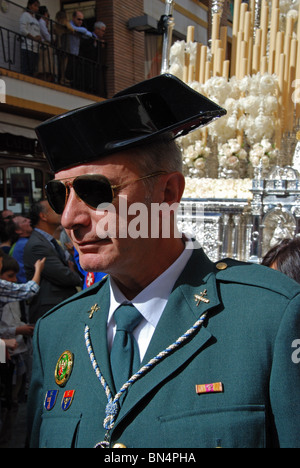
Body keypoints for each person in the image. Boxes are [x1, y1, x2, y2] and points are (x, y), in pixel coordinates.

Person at [28, 75, 300, 448]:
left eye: (96, 191)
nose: (70, 218)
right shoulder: (55, 331)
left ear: (168, 192)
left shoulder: (268, 316)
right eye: (60, 195)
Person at [23, 200, 82, 324]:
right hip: (51, 309)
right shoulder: (37, 245)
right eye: (53, 209)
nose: (60, 212)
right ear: (43, 216)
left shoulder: (48, 241)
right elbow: (63, 275)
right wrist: (85, 277)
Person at [19, 0, 41, 76]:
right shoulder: (25, 15)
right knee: (26, 70)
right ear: (29, 5)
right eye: (35, 5)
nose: (36, 8)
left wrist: (38, 37)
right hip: (26, 46)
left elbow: (38, 32)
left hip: (35, 48)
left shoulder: (36, 20)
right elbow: (22, 29)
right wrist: (33, 38)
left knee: (32, 71)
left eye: (38, 6)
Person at [11, 216, 33, 283]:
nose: (29, 220)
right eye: (24, 221)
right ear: (18, 231)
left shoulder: (22, 242)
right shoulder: (24, 244)